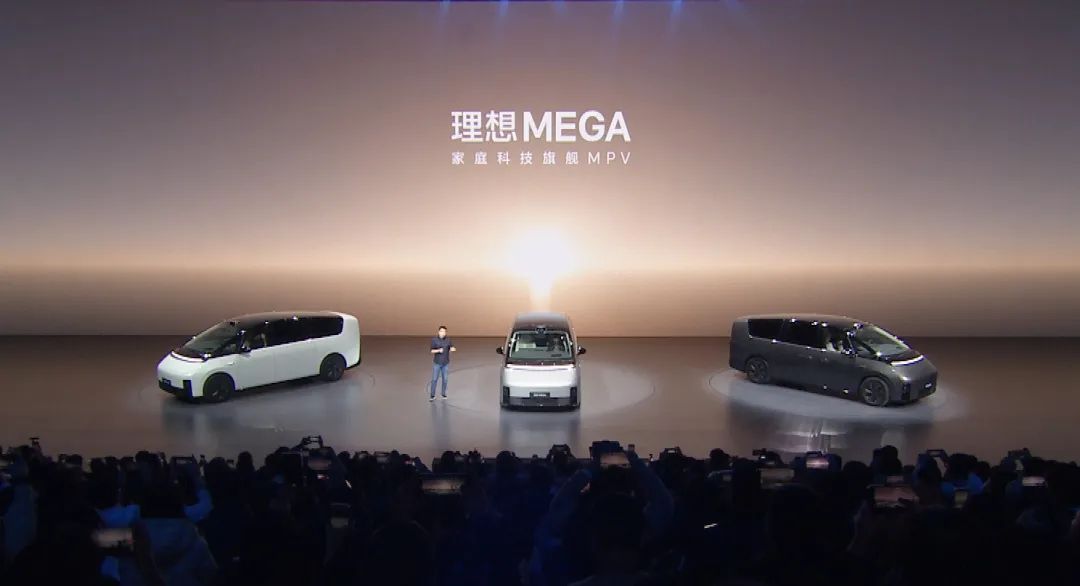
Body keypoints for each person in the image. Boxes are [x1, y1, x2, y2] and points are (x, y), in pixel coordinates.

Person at [429, 325, 456, 401]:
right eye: (441, 331)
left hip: (445, 363)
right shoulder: (434, 340)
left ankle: (443, 394)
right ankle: (432, 395)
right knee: (434, 379)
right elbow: (431, 351)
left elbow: (451, 347)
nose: (443, 333)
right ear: (439, 332)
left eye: (444, 331)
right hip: (437, 363)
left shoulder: (448, 340)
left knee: (445, 379)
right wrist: (438, 350)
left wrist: (452, 349)